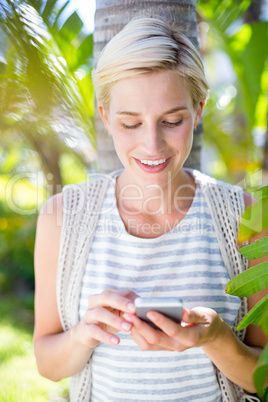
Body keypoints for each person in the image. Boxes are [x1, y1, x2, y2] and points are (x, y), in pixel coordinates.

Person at [33, 17, 267, 402]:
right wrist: (84, 333)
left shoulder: (248, 217)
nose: (152, 144)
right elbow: (47, 362)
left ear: (199, 109)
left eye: (172, 121)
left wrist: (215, 337)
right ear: (106, 117)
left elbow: (263, 378)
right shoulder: (62, 217)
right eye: (130, 123)